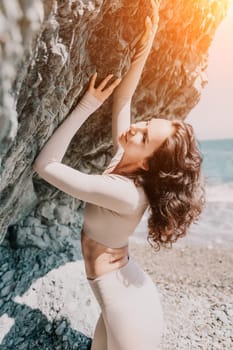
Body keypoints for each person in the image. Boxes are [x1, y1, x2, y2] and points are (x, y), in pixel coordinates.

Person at [33, 1, 205, 348]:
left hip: (126, 308)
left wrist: (86, 106)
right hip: (120, 294)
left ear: (147, 163)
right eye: (145, 124)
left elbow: (46, 166)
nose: (136, 129)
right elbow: (125, 98)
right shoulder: (128, 162)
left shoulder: (125, 192)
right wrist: (147, 43)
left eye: (144, 137)